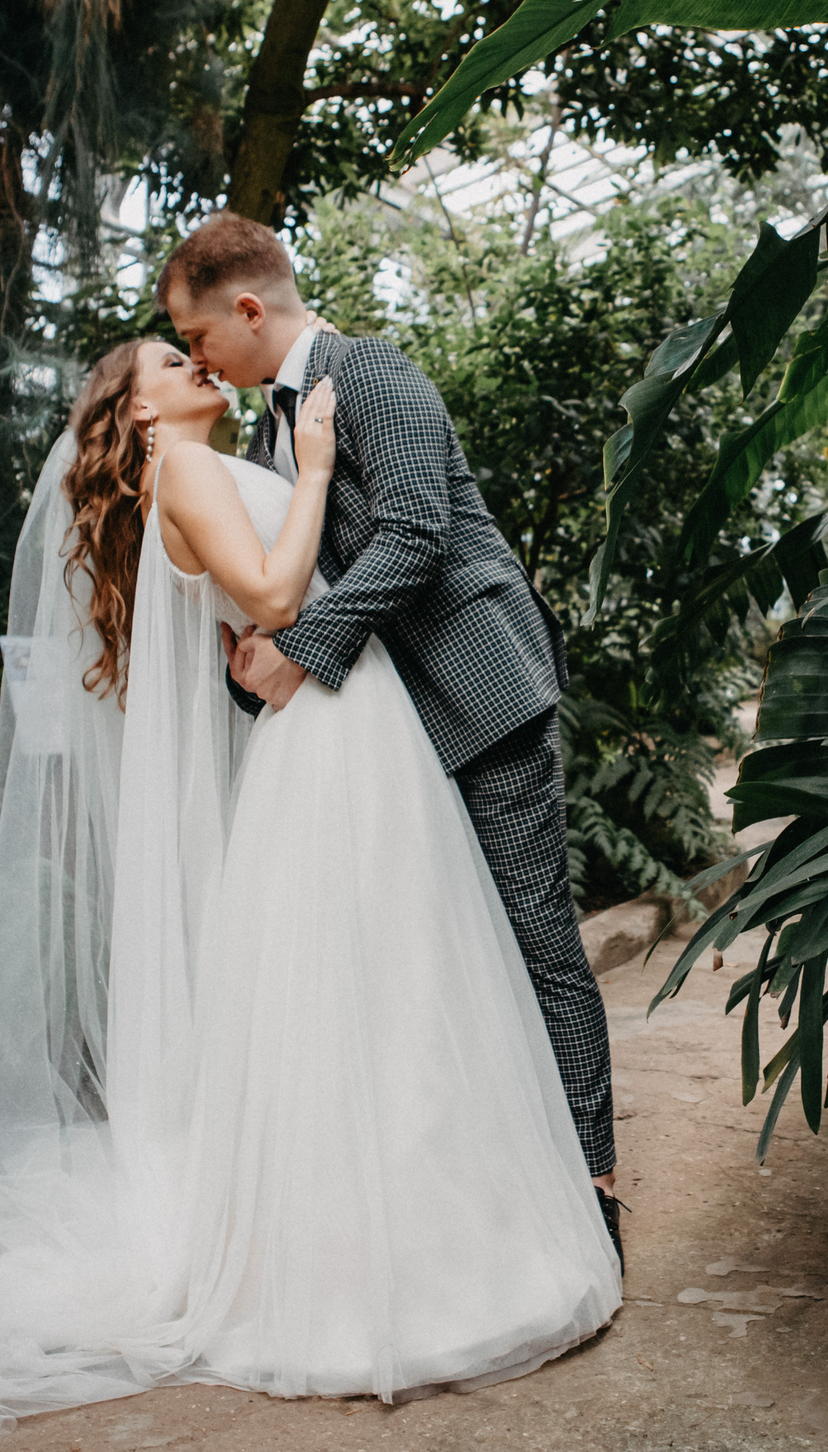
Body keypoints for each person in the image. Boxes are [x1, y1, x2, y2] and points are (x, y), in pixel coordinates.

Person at [0, 336, 617, 1450]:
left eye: (194, 356)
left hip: (349, 719)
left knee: (392, 982)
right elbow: (277, 588)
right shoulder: (183, 467)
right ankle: (355, 1272)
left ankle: (419, 1230)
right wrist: (320, 471)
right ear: (136, 416)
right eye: (169, 366)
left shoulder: (208, 461)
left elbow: (273, 608)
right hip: (330, 735)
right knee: (373, 979)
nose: (196, 370)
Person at [158, 213, 623, 1255]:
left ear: (245, 308)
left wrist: (301, 651)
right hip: (387, 735)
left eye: (197, 339)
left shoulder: (369, 372)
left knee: (536, 937)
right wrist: (257, 667)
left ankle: (592, 1186)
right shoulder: (276, 431)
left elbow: (418, 530)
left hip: (481, 694)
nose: (199, 361)